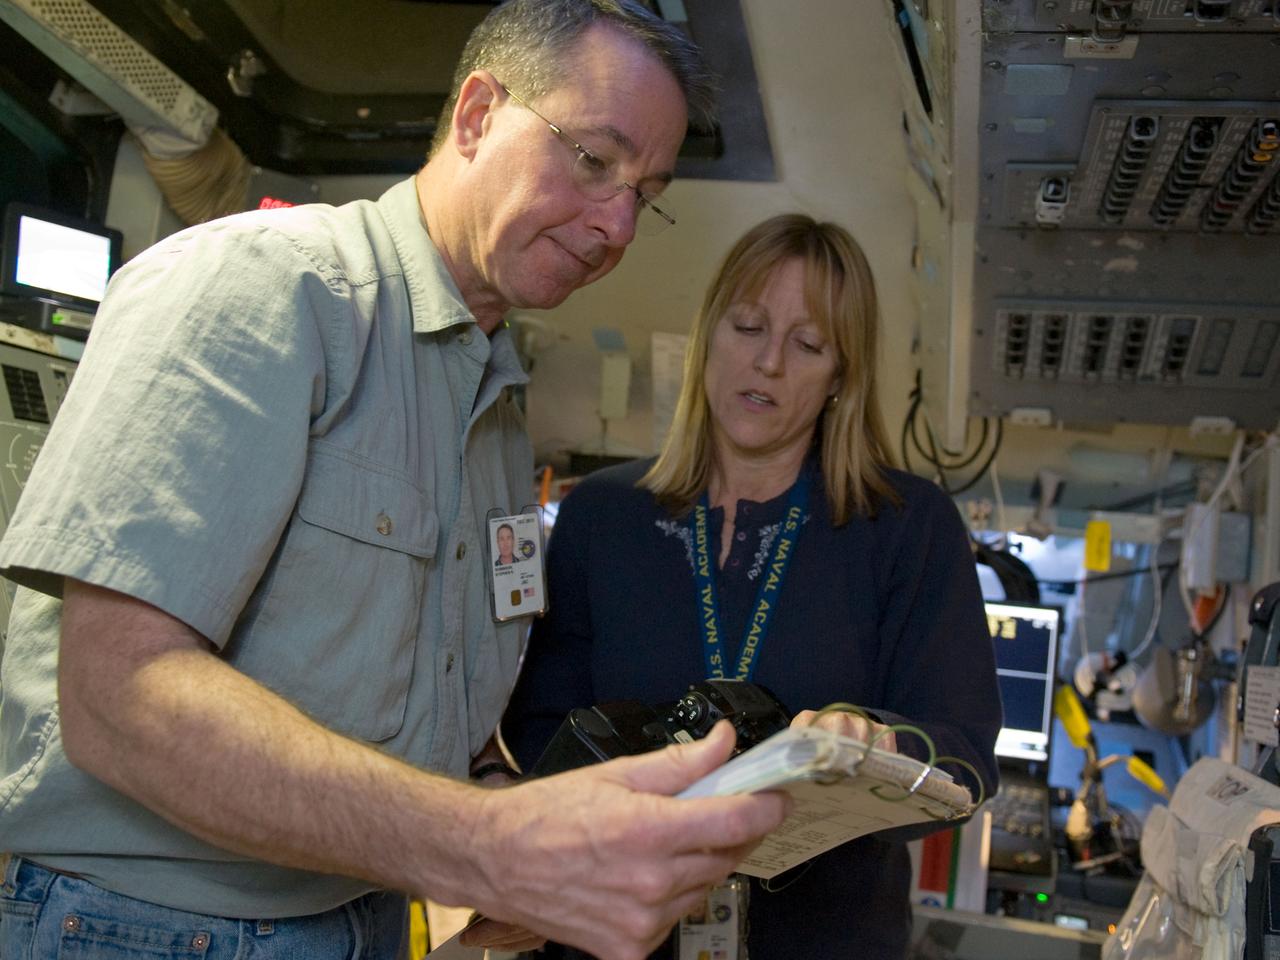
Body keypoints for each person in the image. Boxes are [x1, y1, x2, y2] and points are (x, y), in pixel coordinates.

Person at [0, 3, 791, 959]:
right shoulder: (260, 288)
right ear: (476, 115)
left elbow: (415, 725)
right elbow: (116, 697)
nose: (618, 222)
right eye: (592, 160)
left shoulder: (496, 411)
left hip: (365, 917)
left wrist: (544, 832)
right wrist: (486, 847)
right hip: (147, 927)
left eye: (646, 192)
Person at [503, 213, 1003, 959]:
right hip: (617, 934)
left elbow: (964, 756)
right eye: (747, 327)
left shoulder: (907, 527)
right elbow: (542, 729)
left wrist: (877, 746)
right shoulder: (603, 518)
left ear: (841, 378)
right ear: (708, 338)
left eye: (807, 345)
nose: (768, 363)